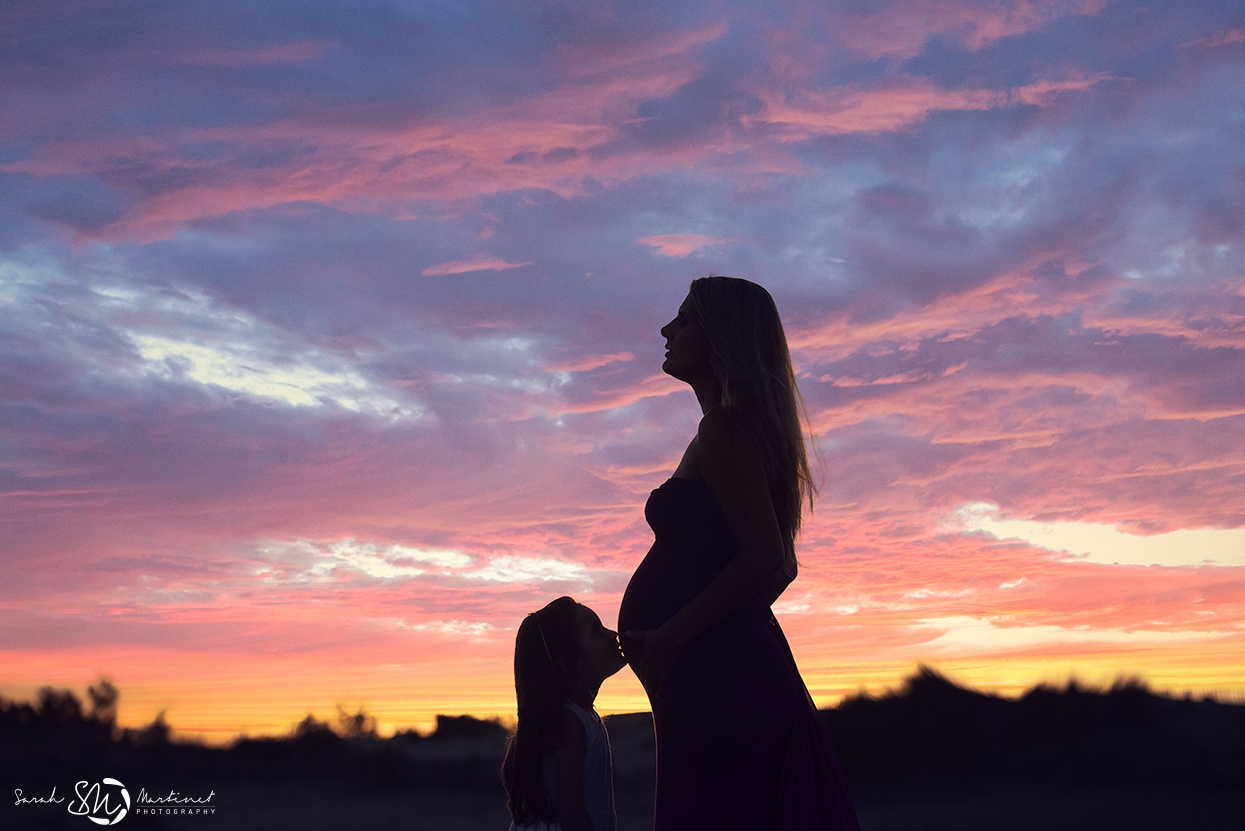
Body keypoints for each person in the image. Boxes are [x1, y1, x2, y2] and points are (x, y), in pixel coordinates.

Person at [619, 276, 861, 830]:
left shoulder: (725, 432)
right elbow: (782, 565)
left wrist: (673, 636)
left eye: (683, 320)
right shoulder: (732, 432)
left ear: (719, 335)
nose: (666, 329)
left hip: (716, 681)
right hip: (720, 671)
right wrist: (718, 632)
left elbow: (763, 558)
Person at [502, 597, 628, 831]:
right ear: (569, 664)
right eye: (596, 632)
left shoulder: (584, 717)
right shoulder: (570, 723)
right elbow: (573, 816)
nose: (612, 634)